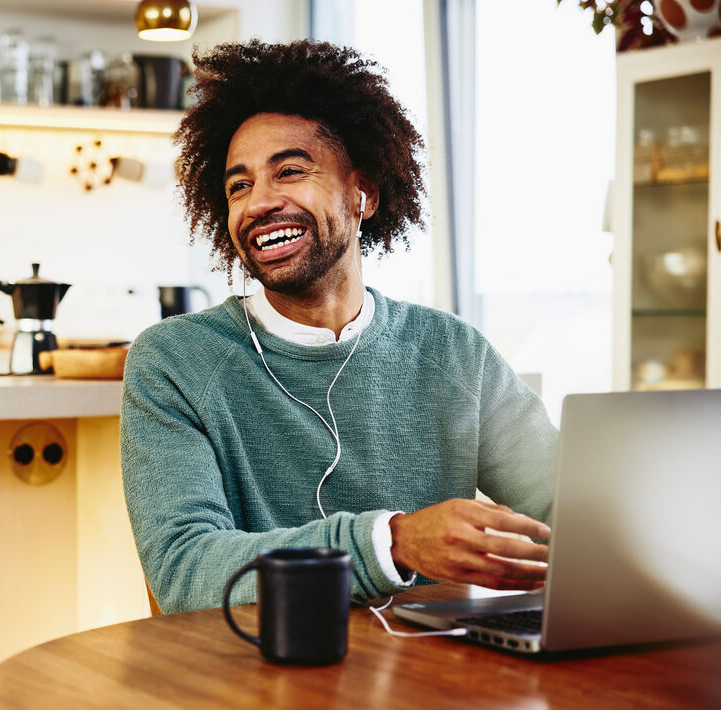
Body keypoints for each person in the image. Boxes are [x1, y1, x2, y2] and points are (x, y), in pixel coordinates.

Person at [120, 40, 557, 615]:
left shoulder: (452, 352)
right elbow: (184, 571)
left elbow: (564, 508)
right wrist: (392, 543)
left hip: (434, 682)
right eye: (239, 186)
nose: (259, 203)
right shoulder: (175, 361)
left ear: (363, 193)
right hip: (249, 685)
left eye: (290, 172)